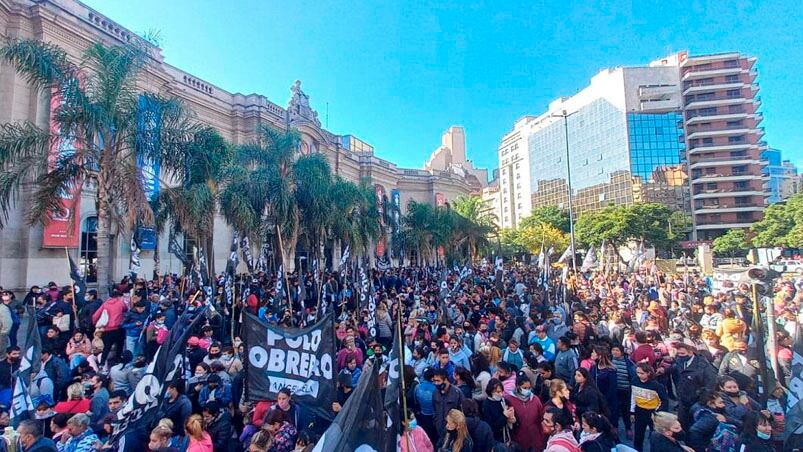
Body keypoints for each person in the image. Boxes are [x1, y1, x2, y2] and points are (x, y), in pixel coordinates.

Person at [671, 342, 717, 430]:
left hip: (696, 402)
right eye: (679, 353)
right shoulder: (680, 360)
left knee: (695, 427)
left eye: (682, 353)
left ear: (690, 352)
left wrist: (702, 400)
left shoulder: (704, 366)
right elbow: (675, 367)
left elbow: (710, 385)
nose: (680, 356)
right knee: (683, 425)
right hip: (683, 400)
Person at [630, 363, 668, 452]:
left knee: (654, 436)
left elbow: (664, 400)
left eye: (642, 373)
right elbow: (633, 396)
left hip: (652, 412)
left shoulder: (656, 385)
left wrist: (657, 413)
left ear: (648, 373)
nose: (639, 375)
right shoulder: (634, 381)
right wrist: (632, 412)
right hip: (639, 411)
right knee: (638, 435)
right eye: (638, 373)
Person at [505, 371, 544, 450]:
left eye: (529, 388)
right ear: (517, 387)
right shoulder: (510, 400)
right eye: (524, 388)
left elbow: (541, 416)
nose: (527, 390)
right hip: (518, 438)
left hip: (535, 438)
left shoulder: (535, 399)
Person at [432, 367, 464, 440]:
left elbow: (462, 412)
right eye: (434, 381)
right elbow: (434, 409)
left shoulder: (457, 393)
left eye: (438, 381)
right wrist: (436, 421)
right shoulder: (435, 393)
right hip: (439, 429)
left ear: (445, 380)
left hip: (453, 430)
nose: (436, 383)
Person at [481, 378, 514, 443]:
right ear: (491, 391)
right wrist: (504, 416)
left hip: (508, 436)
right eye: (498, 392)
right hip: (496, 438)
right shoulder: (486, 405)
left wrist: (512, 418)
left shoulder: (505, 401)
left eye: (502, 391)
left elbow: (513, 417)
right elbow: (491, 425)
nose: (501, 394)